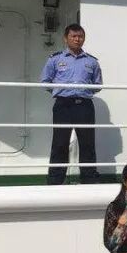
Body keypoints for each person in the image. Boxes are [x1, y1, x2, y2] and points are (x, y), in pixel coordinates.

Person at [40, 23, 102, 185]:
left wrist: (83, 91)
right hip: (63, 105)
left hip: (84, 106)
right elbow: (45, 81)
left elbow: (97, 85)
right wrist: (61, 92)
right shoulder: (55, 59)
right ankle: (55, 180)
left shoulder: (92, 61)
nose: (77, 39)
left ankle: (89, 179)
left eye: (80, 36)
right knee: (60, 143)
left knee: (87, 143)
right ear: (65, 38)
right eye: (73, 36)